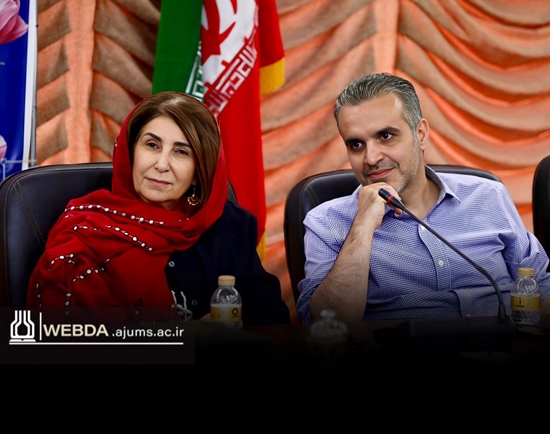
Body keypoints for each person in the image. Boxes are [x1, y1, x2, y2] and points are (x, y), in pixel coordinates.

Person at [295, 72, 550, 327]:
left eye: (385, 136)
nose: (370, 158)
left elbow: (541, 286)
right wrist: (362, 226)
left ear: (421, 134)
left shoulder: (487, 195)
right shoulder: (327, 222)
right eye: (356, 145)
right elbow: (325, 324)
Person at [26, 91, 290, 327]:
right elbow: (69, 336)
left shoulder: (227, 225)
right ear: (130, 153)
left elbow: (272, 320)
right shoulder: (85, 230)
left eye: (181, 152)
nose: (162, 165)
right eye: (152, 145)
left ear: (199, 173)